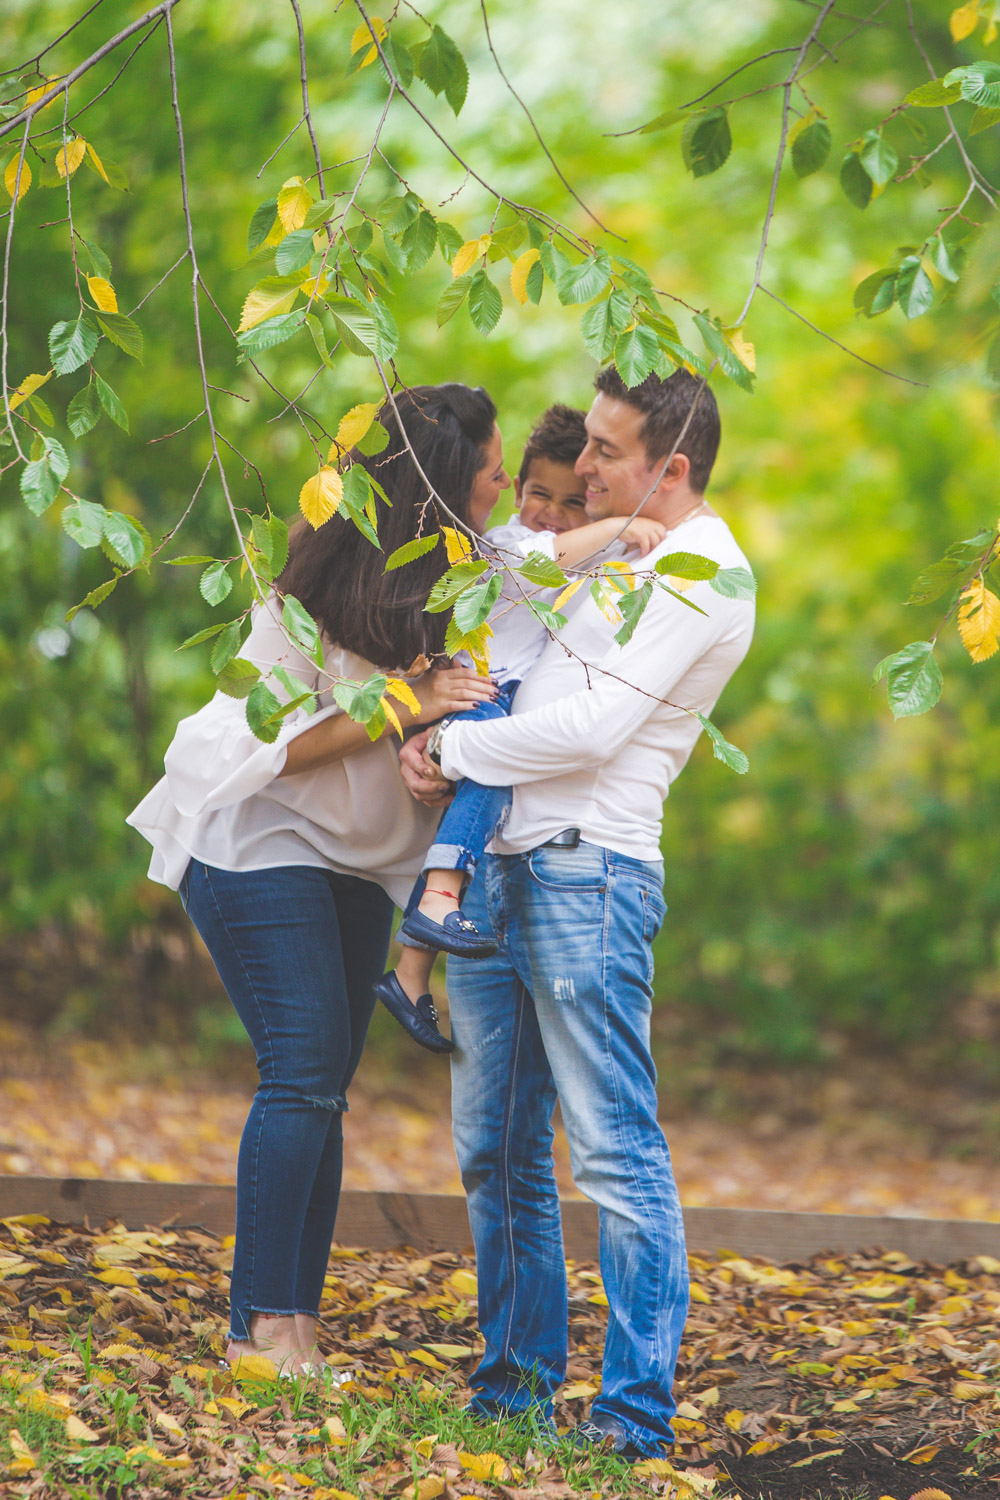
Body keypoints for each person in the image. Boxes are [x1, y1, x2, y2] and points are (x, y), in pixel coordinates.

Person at [398, 367, 755, 1459]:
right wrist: (433, 729)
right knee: (494, 1151)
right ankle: (514, 1385)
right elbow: (504, 568)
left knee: (611, 1149)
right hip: (504, 866)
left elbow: (594, 729)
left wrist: (451, 747)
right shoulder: (611, 547)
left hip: (586, 874)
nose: (580, 467)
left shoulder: (706, 573)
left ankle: (632, 1415)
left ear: (670, 467)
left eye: (604, 450)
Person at [127, 384, 504, 1378]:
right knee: (300, 1069)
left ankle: (295, 1324)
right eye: (491, 467)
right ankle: (260, 1332)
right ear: (436, 480)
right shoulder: (308, 590)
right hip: (258, 840)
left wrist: (434, 742)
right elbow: (271, 751)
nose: (503, 482)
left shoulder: (465, 582)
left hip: (357, 860)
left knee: (326, 1084)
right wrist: (399, 704)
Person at [375, 405, 668, 1054]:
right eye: (539, 493)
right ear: (516, 490)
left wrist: (632, 525)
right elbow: (552, 555)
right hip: (476, 689)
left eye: (573, 501)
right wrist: (622, 523)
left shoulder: (594, 553)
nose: (553, 513)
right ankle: (439, 897)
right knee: (493, 782)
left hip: (498, 703)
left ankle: (411, 971)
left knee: (475, 819)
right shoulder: (508, 544)